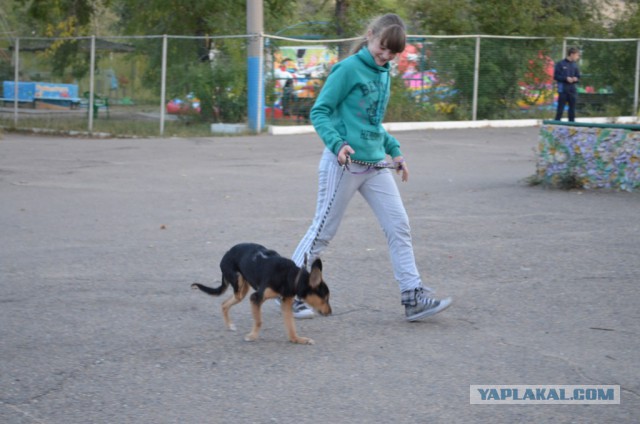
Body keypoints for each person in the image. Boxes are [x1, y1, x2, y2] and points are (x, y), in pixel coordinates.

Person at [287, 13, 452, 321]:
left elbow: (372, 124)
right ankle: (291, 290)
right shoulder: (347, 69)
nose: (386, 56)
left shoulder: (384, 72)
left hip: (375, 164)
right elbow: (320, 111)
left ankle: (412, 297)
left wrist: (395, 151)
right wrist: (338, 145)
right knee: (323, 232)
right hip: (344, 164)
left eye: (393, 53)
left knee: (398, 225)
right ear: (370, 35)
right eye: (383, 47)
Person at [554, 47, 581, 122]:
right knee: (560, 110)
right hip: (563, 90)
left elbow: (578, 76)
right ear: (571, 54)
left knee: (572, 109)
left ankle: (572, 125)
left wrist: (576, 79)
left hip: (572, 90)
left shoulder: (575, 65)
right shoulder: (560, 64)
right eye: (577, 55)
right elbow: (556, 76)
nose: (577, 57)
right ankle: (556, 125)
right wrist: (566, 78)